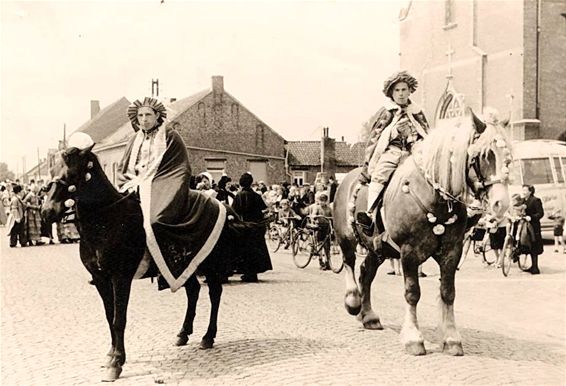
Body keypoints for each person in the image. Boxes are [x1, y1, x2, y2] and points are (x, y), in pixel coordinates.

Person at [117, 97, 227, 289]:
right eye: (140, 115)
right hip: (134, 185)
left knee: (156, 221)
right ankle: (114, 265)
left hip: (162, 185)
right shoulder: (134, 139)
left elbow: (179, 167)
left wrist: (152, 183)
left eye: (148, 115)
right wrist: (131, 182)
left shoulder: (170, 135)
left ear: (157, 115)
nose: (143, 119)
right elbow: (124, 167)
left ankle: (165, 266)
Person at [357, 71, 429, 233]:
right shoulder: (386, 112)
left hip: (414, 152)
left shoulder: (417, 112)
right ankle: (370, 214)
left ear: (410, 91)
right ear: (391, 93)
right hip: (393, 151)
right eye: (397, 90)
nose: (401, 94)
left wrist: (414, 138)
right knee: (381, 173)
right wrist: (395, 131)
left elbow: (425, 133)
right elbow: (376, 137)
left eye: (404, 89)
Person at [231, 172, 273, 282]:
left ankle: (246, 272)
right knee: (255, 250)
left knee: (244, 250)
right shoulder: (257, 196)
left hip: (244, 227)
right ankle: (253, 273)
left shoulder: (239, 196)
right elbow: (263, 210)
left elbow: (234, 211)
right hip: (256, 226)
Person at [306, 192, 333, 270]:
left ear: (326, 201)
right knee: (320, 243)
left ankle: (328, 262)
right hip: (319, 227)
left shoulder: (329, 208)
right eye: (321, 200)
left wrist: (332, 219)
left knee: (327, 245)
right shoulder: (317, 208)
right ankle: (321, 261)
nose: (322, 202)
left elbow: (332, 216)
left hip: (327, 227)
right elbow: (313, 215)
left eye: (324, 201)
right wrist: (314, 216)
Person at [522, 184, 544, 274]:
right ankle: (532, 266)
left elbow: (540, 213)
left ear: (530, 191)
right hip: (525, 225)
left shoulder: (536, 200)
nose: (523, 192)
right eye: (522, 190)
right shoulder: (523, 201)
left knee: (534, 245)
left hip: (534, 226)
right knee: (527, 244)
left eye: (525, 190)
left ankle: (535, 267)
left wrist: (531, 217)